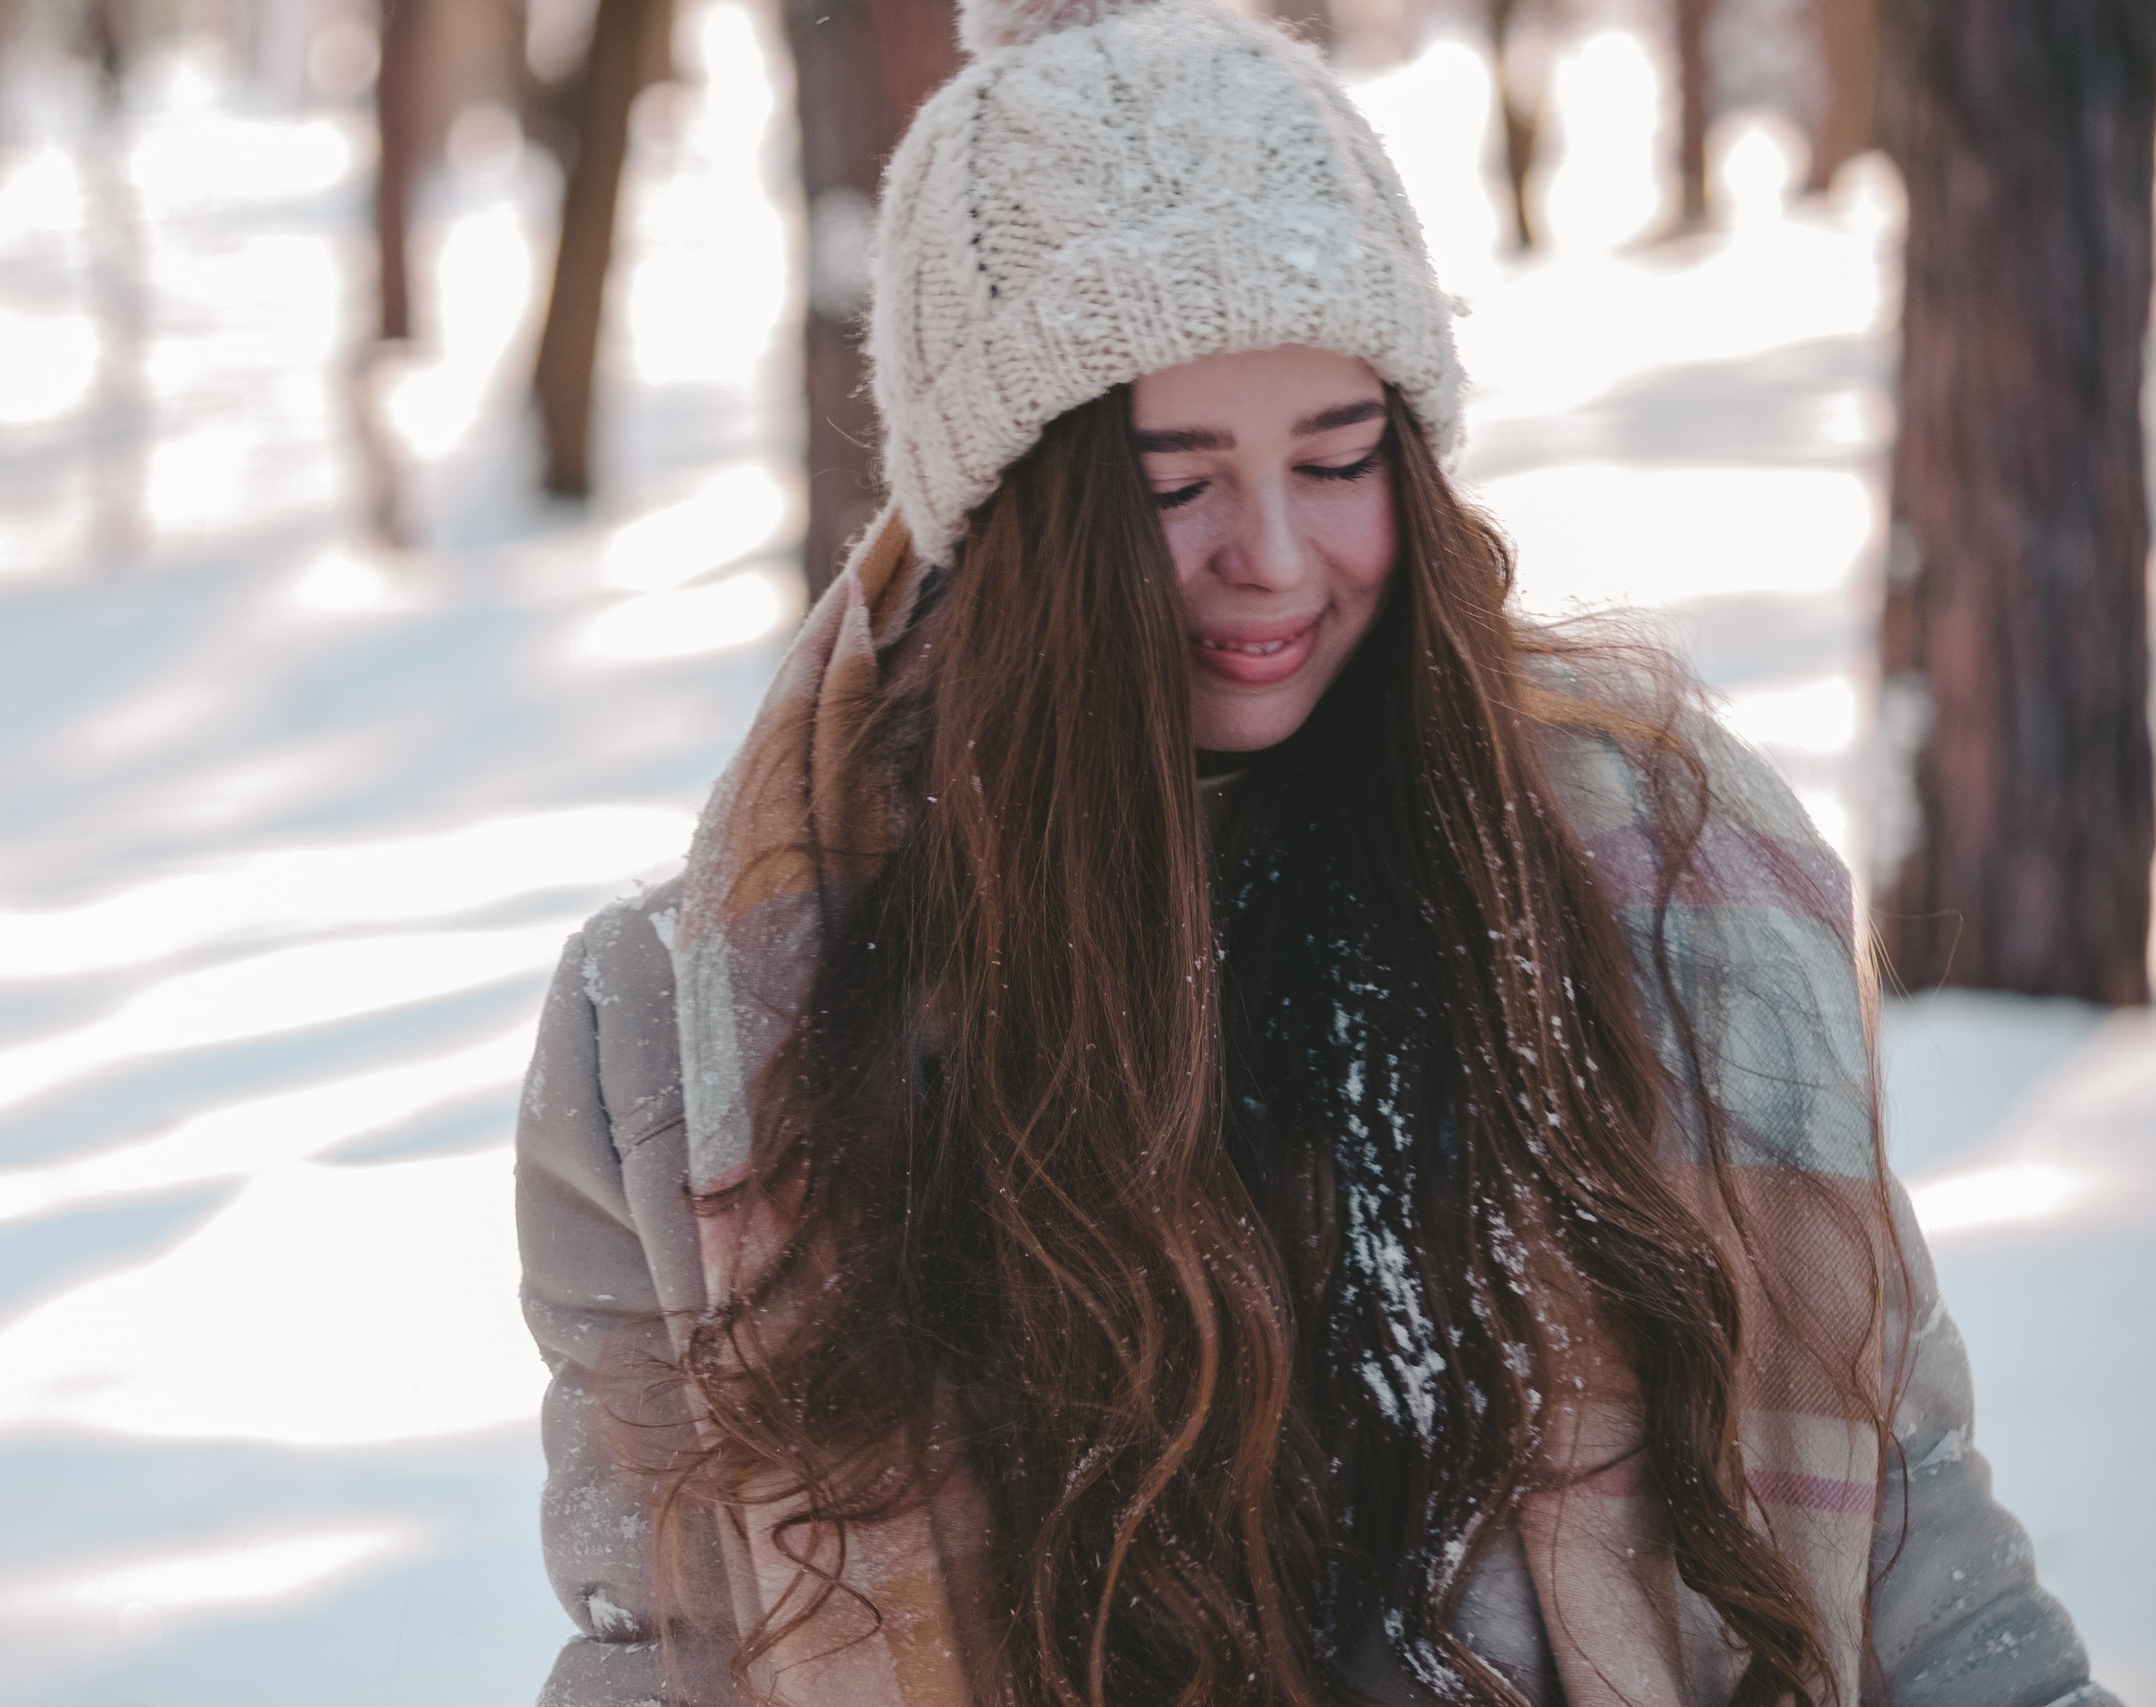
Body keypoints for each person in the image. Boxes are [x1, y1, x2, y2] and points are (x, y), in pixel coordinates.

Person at [514, 2, 2121, 1704]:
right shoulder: (687, 1039)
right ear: (1010, 515)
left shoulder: (1678, 890)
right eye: (1174, 481)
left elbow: (1920, 1566)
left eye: (1339, 459)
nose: (1272, 558)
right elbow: (668, 1652)